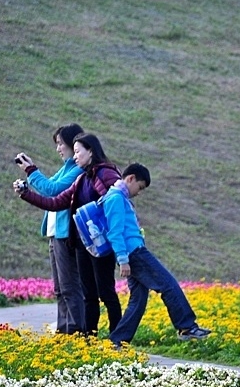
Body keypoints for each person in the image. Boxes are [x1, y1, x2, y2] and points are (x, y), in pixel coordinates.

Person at [14, 133, 122, 336]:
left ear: (90, 151)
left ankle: (118, 337)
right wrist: (26, 194)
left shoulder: (107, 174)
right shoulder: (82, 178)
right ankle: (88, 337)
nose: (75, 156)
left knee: (106, 292)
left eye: (78, 151)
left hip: (102, 244)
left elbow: (117, 204)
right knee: (89, 294)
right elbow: (55, 202)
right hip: (83, 244)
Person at [101, 163, 211, 348]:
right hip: (134, 253)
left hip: (132, 253)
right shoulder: (116, 198)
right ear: (130, 179)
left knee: (138, 299)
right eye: (140, 187)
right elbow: (115, 232)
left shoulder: (118, 197)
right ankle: (186, 327)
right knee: (168, 284)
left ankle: (117, 342)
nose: (139, 192)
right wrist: (122, 259)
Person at [14, 124, 85, 335]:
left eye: (61, 144)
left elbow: (52, 190)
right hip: (55, 234)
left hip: (66, 234)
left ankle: (75, 332)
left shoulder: (78, 170)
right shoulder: (66, 168)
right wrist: (27, 186)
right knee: (59, 289)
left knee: (69, 286)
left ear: (75, 144)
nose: (58, 149)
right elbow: (47, 187)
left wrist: (30, 170)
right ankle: (64, 331)